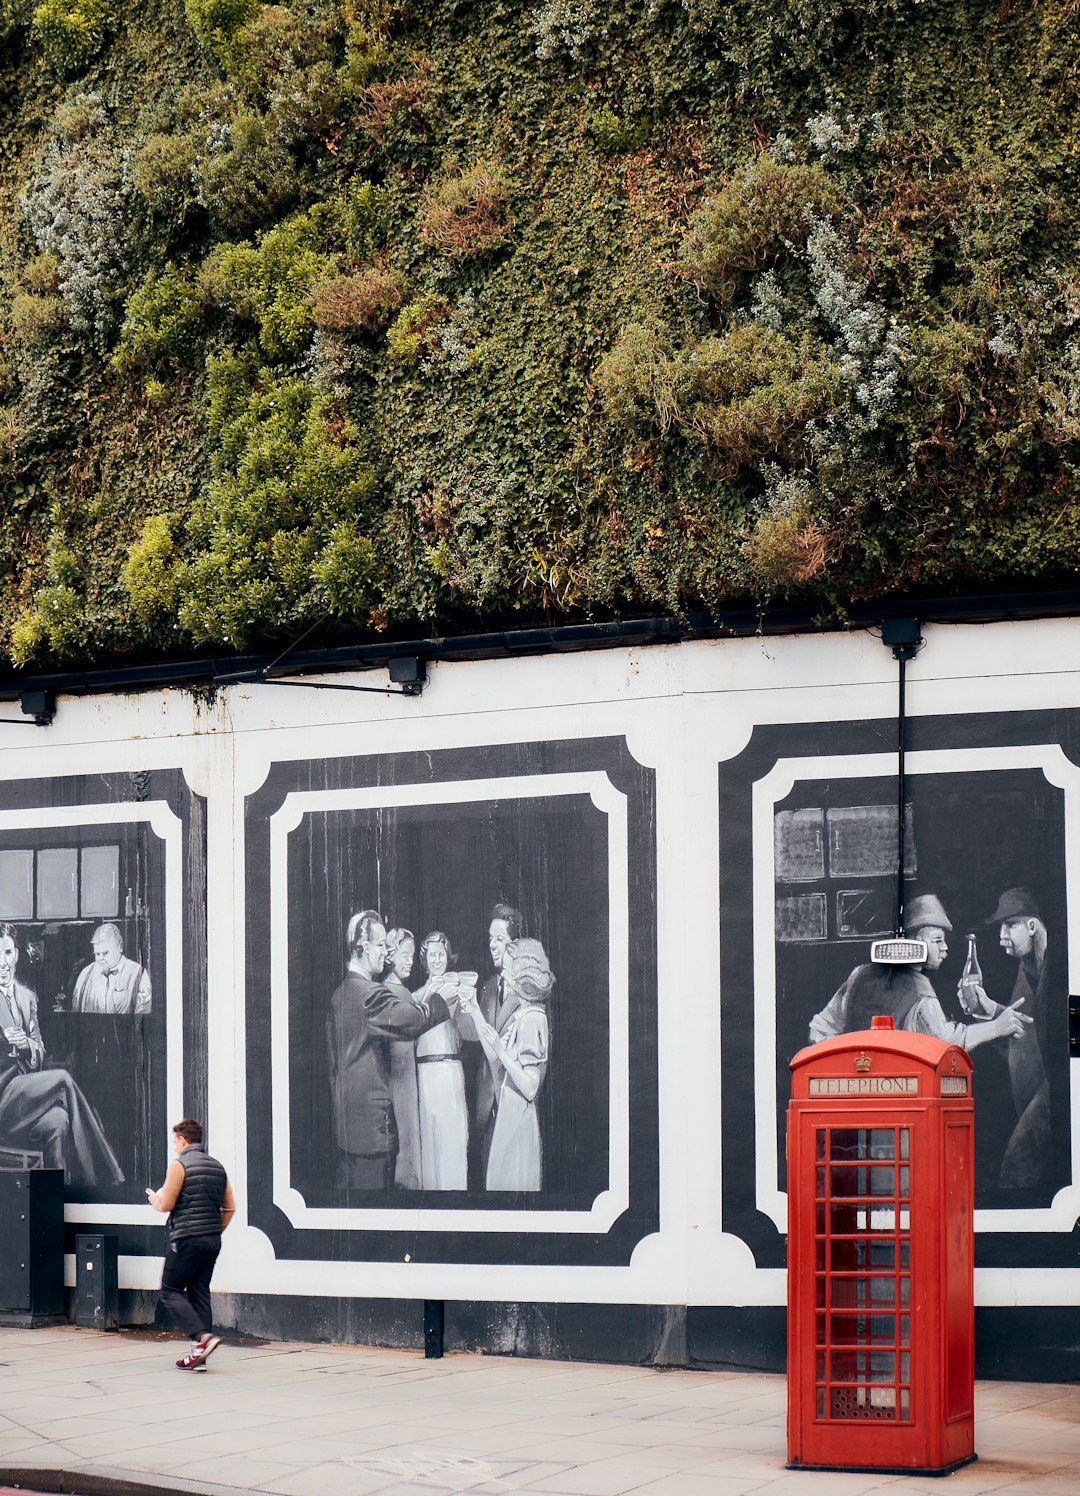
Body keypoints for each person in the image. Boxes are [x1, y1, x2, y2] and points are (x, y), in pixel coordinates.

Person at [328, 910, 453, 1192]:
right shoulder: (369, 994)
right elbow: (412, 1020)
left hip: (346, 1128)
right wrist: (443, 999)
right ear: (362, 946)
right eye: (381, 944)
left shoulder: (340, 994)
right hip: (371, 1132)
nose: (386, 952)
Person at [808, 894, 1028, 1052]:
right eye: (937, 941)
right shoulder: (919, 991)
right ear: (916, 943)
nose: (945, 948)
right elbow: (948, 1041)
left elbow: (820, 1030)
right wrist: (996, 1027)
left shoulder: (859, 974)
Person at [0, 922, 125, 1188]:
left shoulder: (27, 997)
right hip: (3, 1100)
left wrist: (27, 1047)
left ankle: (59, 1193)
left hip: (27, 1098)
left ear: (17, 954)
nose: (3, 963)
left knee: (59, 1119)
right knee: (63, 1079)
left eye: (8, 953)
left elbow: (40, 1048)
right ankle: (98, 1176)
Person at [966, 889, 1052, 1189]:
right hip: (1034, 1095)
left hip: (1056, 1091)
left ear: (1031, 926)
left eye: (1010, 925)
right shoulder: (1027, 967)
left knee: (1017, 1170)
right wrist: (989, 1009)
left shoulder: (1059, 966)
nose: (1002, 936)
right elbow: (1022, 1032)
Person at [459, 938, 553, 1191]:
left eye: (511, 969)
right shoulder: (522, 1015)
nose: (506, 975)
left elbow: (531, 1087)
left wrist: (501, 1050)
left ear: (524, 974)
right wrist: (474, 1009)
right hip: (509, 1118)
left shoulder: (533, 1019)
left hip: (519, 1121)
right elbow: (493, 1057)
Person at [146, 1117, 235, 1371]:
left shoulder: (180, 1165)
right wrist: (213, 1230)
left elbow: (166, 1205)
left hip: (186, 1239)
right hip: (212, 1240)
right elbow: (230, 1207)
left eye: (175, 1140)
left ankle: (201, 1337)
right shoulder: (218, 1167)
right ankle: (199, 1357)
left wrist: (154, 1199)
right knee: (199, 1292)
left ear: (183, 1140)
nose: (174, 1145)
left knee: (170, 1290)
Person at [458, 904, 522, 1174]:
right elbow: (469, 1033)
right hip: (487, 1105)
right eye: (490, 939)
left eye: (500, 939)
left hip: (516, 1101)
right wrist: (463, 1004)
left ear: (515, 943)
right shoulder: (488, 986)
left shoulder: (530, 988)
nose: (492, 946)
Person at [412, 931, 475, 1190]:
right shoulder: (415, 996)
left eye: (441, 955)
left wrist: (466, 1005)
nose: (437, 960)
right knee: (428, 1140)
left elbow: (470, 1034)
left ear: (449, 958)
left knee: (453, 1140)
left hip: (450, 1071)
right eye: (432, 955)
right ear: (424, 960)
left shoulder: (459, 991)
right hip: (424, 1073)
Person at [384, 928, 422, 1190]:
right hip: (398, 1080)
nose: (410, 960)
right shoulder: (387, 991)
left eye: (411, 955)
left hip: (408, 1077)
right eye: (404, 954)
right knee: (404, 1141)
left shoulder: (403, 992)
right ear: (390, 955)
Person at [71, 922, 152, 1015]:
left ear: (120, 947)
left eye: (105, 953)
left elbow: (144, 1015)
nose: (100, 958)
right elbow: (76, 1012)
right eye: (97, 954)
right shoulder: (85, 974)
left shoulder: (138, 974)